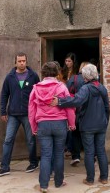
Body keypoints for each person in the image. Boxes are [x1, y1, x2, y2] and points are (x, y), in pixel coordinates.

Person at [53, 64, 110, 186]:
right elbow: (107, 108)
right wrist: (105, 122)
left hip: (87, 126)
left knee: (89, 152)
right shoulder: (102, 88)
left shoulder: (85, 88)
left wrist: (60, 101)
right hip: (101, 125)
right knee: (101, 151)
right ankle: (104, 178)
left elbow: (76, 101)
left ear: (85, 76)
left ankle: (90, 179)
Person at [28, 62, 75, 193]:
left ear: (43, 73)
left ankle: (43, 185)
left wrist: (33, 126)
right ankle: (59, 182)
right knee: (59, 154)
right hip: (60, 124)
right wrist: (72, 123)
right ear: (57, 73)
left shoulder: (36, 88)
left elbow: (31, 109)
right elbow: (69, 106)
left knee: (46, 155)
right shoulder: (62, 87)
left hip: (43, 124)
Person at [0, 52, 40, 177]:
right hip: (13, 114)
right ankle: (4, 167)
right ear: (15, 62)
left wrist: (38, 111)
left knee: (30, 140)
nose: (22, 63)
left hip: (28, 114)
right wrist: (3, 111)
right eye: (19, 61)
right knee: (8, 140)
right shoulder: (10, 77)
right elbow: (4, 95)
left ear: (26, 61)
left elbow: (39, 93)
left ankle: (33, 162)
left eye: (23, 61)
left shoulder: (33, 76)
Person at [64, 60, 88, 166]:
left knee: (75, 134)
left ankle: (76, 156)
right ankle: (91, 156)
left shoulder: (73, 78)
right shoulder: (91, 81)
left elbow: (67, 94)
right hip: (87, 111)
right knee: (87, 135)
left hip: (75, 110)